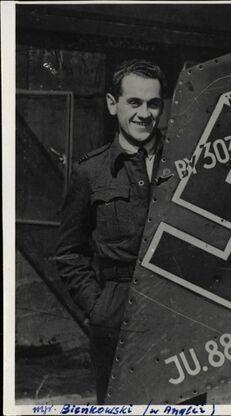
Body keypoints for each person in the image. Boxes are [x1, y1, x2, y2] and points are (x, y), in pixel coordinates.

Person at [55, 59, 167, 404]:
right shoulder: (90, 172)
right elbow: (69, 252)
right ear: (112, 104)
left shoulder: (186, 162)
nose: (144, 114)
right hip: (116, 315)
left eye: (153, 103)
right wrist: (99, 307)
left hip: (178, 312)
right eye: (134, 102)